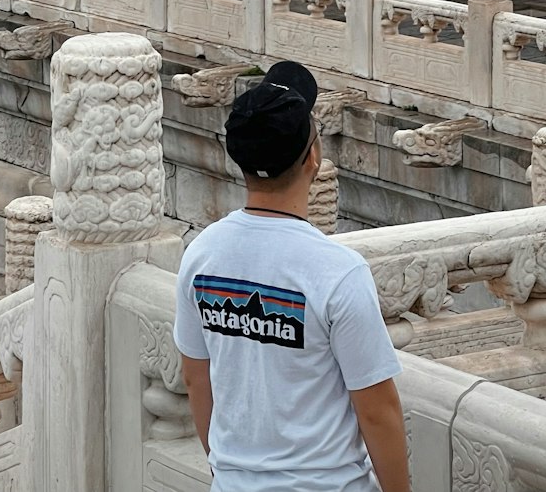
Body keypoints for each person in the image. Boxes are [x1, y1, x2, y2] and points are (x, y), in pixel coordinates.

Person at [173, 60, 411, 492]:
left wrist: (229, 470)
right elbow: (377, 409)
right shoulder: (337, 273)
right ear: (314, 158)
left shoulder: (202, 254)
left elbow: (195, 376)